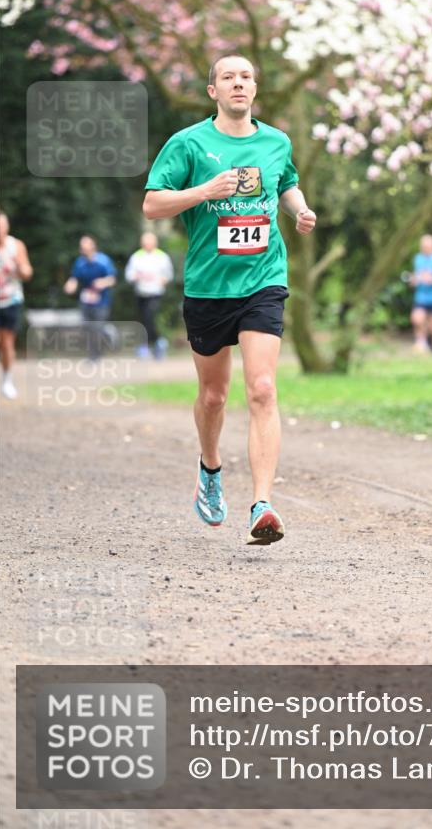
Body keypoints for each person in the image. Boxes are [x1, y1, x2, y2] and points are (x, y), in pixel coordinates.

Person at [142, 52, 316, 545]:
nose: (238, 83)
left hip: (263, 279)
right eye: (228, 77)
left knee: (262, 388)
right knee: (214, 396)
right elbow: (152, 204)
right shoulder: (189, 143)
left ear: (255, 89)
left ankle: (262, 504)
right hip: (208, 286)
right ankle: (210, 467)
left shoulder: (276, 141)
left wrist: (300, 210)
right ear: (213, 91)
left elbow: (288, 184)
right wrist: (203, 191)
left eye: (246, 77)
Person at [0, 211, 33, 399]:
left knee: (6, 344)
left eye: (1, 226)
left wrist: (19, 266)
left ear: (7, 226)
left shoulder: (16, 246)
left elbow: (27, 273)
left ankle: (7, 381)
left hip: (11, 300)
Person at [63, 236, 116, 360]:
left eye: (86, 247)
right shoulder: (80, 262)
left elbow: (112, 279)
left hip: (102, 301)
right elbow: (74, 278)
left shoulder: (103, 261)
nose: (83, 250)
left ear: (93, 247)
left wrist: (103, 282)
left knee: (97, 328)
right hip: (86, 301)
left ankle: (97, 353)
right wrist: (70, 285)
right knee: (87, 327)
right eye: (82, 248)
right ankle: (93, 354)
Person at [125, 232, 174, 359]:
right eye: (145, 242)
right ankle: (157, 343)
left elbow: (168, 274)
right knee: (144, 319)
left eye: (150, 241)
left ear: (155, 243)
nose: (148, 244)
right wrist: (136, 276)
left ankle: (151, 344)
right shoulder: (136, 256)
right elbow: (129, 274)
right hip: (141, 292)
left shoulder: (162, 256)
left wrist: (163, 280)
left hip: (155, 292)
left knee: (149, 318)